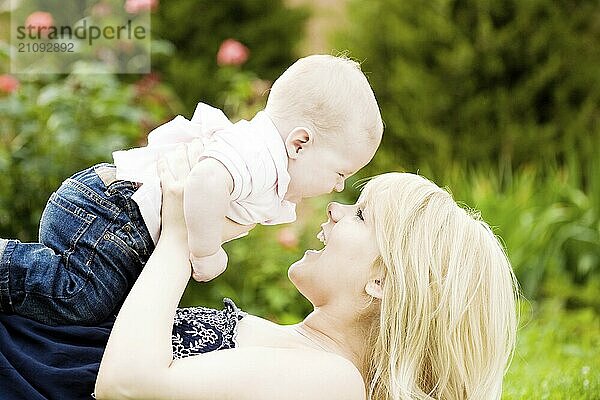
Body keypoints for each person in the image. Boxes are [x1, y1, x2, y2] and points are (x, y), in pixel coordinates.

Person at [93, 152, 519, 400]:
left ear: (383, 282)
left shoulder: (335, 382)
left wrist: (178, 241)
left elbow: (125, 386)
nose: (335, 208)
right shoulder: (305, 354)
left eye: (362, 214)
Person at [0, 54, 383, 326]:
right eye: (340, 172)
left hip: (117, 222)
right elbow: (205, 180)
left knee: (103, 313)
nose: (339, 185)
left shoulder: (269, 165)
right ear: (299, 144)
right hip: (112, 213)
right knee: (80, 296)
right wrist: (206, 251)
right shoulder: (257, 155)